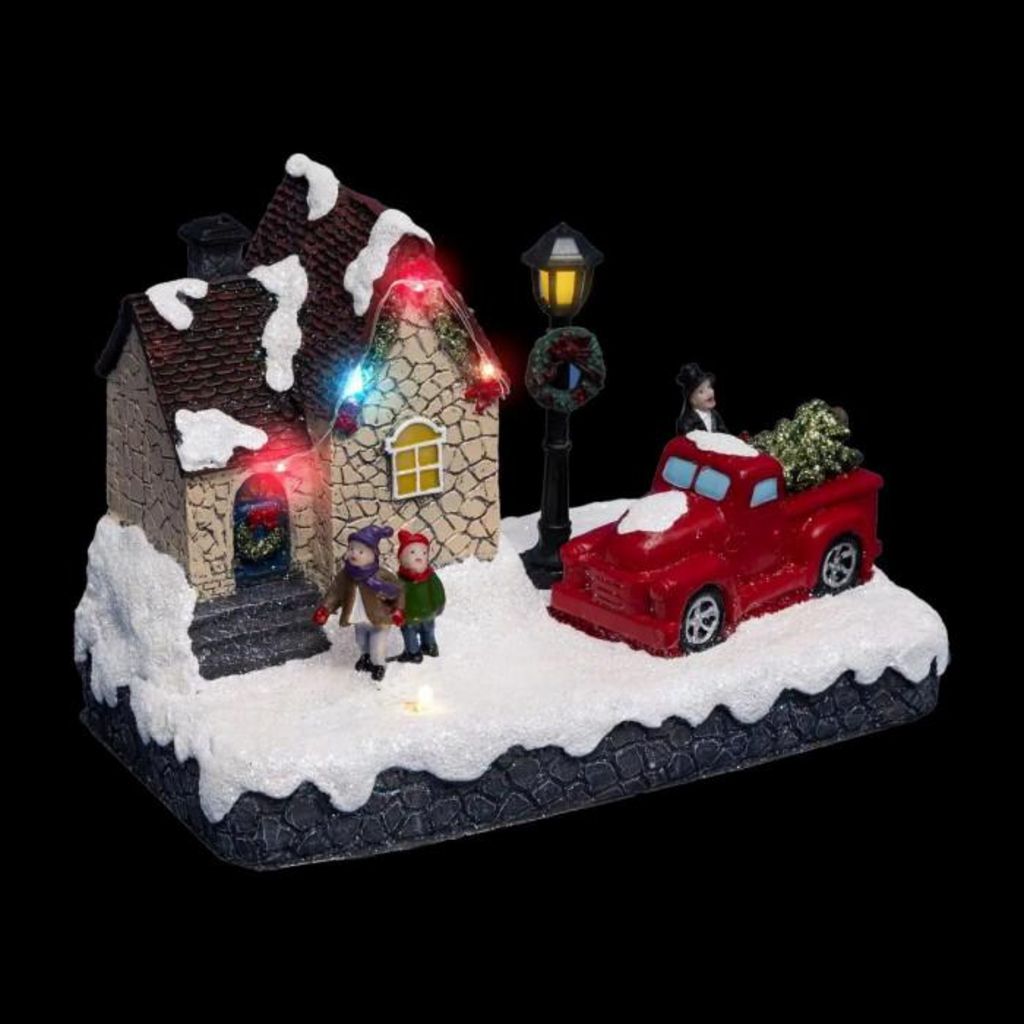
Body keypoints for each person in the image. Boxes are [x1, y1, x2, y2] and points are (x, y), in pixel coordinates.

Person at [312, 525, 405, 683]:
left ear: (373, 554)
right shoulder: (346, 575)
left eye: (360, 551)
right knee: (361, 642)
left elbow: (399, 591)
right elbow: (335, 592)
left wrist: (398, 610)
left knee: (377, 647)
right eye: (351, 549)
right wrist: (325, 609)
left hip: (379, 619)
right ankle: (365, 656)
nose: (354, 554)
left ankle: (378, 665)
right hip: (358, 619)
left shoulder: (381, 575)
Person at [394, 530, 446, 664]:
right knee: (410, 632)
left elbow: (438, 592)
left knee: (427, 631)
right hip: (410, 616)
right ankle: (415, 652)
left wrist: (439, 605)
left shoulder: (430, 577)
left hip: (427, 614)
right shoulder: (401, 580)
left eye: (423, 553)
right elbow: (397, 597)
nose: (419, 556)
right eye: (412, 552)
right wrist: (397, 611)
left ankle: (428, 647)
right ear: (401, 559)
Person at [676, 362, 728, 435]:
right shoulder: (686, 422)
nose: (709, 392)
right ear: (692, 400)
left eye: (709, 387)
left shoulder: (715, 415)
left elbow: (725, 435)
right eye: (701, 391)